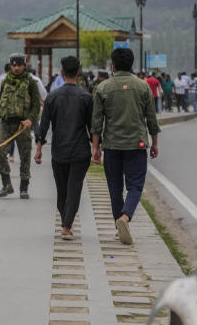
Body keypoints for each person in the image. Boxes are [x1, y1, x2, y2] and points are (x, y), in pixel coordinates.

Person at [91, 48, 160, 246]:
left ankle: (118, 226)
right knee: (135, 185)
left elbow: (97, 122)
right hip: (136, 144)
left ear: (113, 65)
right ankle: (125, 218)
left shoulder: (103, 88)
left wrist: (95, 148)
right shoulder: (143, 86)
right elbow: (151, 119)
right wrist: (154, 143)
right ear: (131, 65)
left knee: (114, 187)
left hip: (112, 144)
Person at [35, 55, 92, 239]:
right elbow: (92, 127)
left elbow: (43, 125)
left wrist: (38, 149)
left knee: (62, 190)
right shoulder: (86, 97)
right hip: (80, 150)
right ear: (79, 72)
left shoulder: (52, 97)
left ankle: (65, 223)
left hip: (59, 151)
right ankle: (66, 226)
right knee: (74, 188)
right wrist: (98, 147)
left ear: (61, 73)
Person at [0, 53, 41, 199]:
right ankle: (6, 184)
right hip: (5, 125)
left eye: (19, 65)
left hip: (22, 125)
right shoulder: (5, 82)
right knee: (0, 154)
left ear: (24, 65)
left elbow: (36, 105)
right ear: (10, 66)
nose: (16, 68)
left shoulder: (30, 82)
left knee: (25, 157)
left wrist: (30, 119)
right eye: (13, 65)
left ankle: (24, 188)